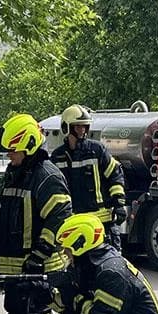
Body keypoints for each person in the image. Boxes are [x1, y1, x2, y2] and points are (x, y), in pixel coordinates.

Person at [0, 113, 72, 314]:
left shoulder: (46, 175)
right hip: (16, 264)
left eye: (13, 150)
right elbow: (10, 213)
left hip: (41, 265)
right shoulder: (17, 172)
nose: (10, 156)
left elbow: (59, 217)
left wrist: (41, 253)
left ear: (28, 145)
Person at [50, 105, 127, 246]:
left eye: (84, 126)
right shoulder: (57, 157)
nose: (82, 130)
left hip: (102, 224)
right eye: (77, 126)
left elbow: (115, 176)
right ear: (66, 127)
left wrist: (119, 204)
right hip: (72, 223)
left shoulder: (96, 150)